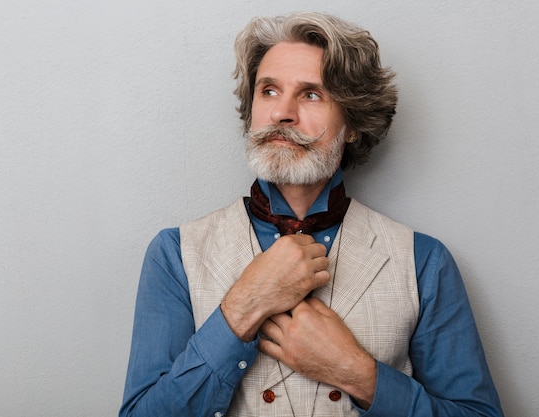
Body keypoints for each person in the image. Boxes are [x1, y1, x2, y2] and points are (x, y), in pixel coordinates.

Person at [119, 11, 503, 417]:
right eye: (268, 91)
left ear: (353, 123)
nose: (282, 113)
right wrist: (244, 306)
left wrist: (357, 373)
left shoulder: (423, 261)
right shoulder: (174, 254)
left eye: (311, 94)